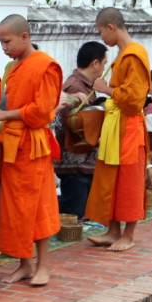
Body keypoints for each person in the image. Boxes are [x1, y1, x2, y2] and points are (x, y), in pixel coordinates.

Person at [0, 15, 62, 287]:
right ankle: (25, 264)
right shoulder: (13, 67)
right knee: (14, 209)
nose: (4, 47)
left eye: (7, 41)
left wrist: (4, 115)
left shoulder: (46, 66)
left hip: (33, 146)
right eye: (0, 42)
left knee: (38, 207)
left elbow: (41, 112)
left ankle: (44, 265)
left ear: (24, 36)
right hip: (11, 145)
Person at [85, 7, 150, 250]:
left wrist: (106, 89)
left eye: (101, 32)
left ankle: (129, 235)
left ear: (111, 28)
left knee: (129, 179)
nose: (102, 38)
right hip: (116, 124)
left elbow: (134, 99)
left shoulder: (133, 55)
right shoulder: (123, 54)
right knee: (111, 177)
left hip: (129, 126)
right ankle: (113, 231)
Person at [53, 41, 107, 218]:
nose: (104, 68)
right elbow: (69, 124)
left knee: (80, 211)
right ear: (95, 63)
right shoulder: (74, 87)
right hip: (74, 162)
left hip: (83, 161)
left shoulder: (87, 86)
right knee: (73, 213)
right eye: (104, 63)